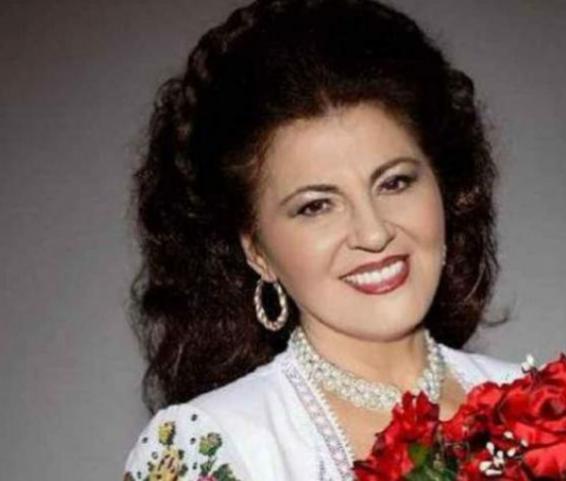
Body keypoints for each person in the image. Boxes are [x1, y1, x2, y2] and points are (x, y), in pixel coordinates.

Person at [122, 0, 520, 479]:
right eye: (316, 207)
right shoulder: (212, 444)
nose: (374, 233)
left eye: (394, 182)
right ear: (256, 250)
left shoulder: (549, 408)